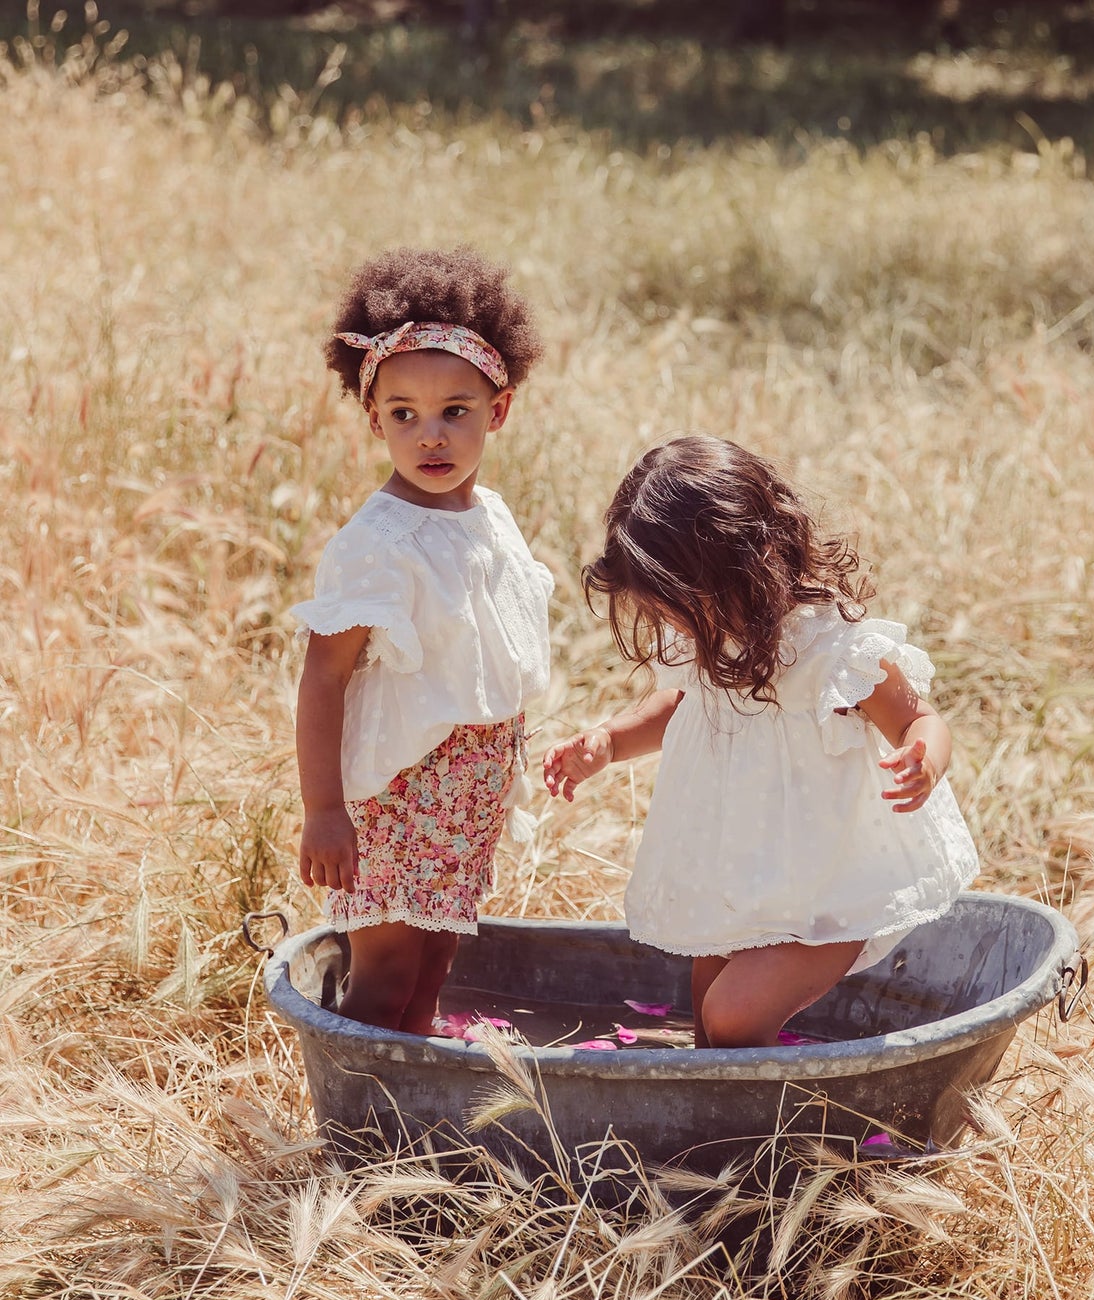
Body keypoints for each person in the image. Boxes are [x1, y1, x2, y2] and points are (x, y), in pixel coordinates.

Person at [543, 436, 978, 1049]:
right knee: (708, 1024)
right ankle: (740, 1139)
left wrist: (923, 759)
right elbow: (677, 705)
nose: (667, 623)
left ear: (738, 566)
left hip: (828, 885)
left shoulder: (834, 653)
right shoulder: (702, 636)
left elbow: (918, 719)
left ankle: (804, 1128)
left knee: (732, 1017)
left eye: (675, 605)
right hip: (740, 872)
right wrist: (609, 742)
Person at [291, 247, 552, 1035]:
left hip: (466, 793)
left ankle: (418, 1108)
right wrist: (324, 810)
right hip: (397, 797)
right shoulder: (379, 541)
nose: (429, 436)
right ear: (375, 420)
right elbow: (323, 679)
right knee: (388, 969)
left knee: (437, 957)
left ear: (497, 411)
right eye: (402, 413)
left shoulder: (492, 516)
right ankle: (363, 1129)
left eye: (455, 411)